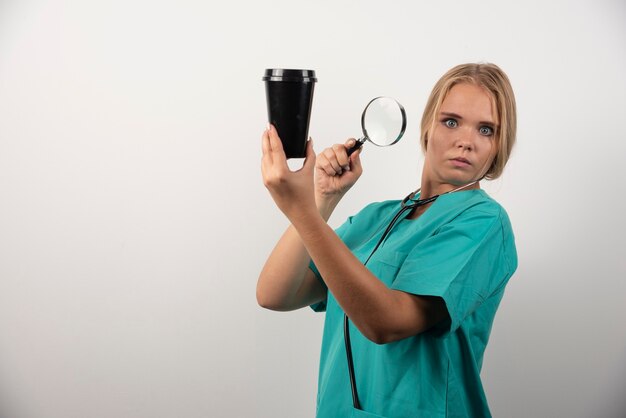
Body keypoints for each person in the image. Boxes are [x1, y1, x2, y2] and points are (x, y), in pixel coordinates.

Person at [257, 63, 518, 418]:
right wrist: (320, 200)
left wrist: (301, 211)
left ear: (499, 145)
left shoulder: (484, 223)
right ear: (427, 127)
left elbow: (387, 323)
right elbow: (275, 293)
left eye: (486, 129)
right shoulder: (376, 218)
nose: (465, 141)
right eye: (451, 121)